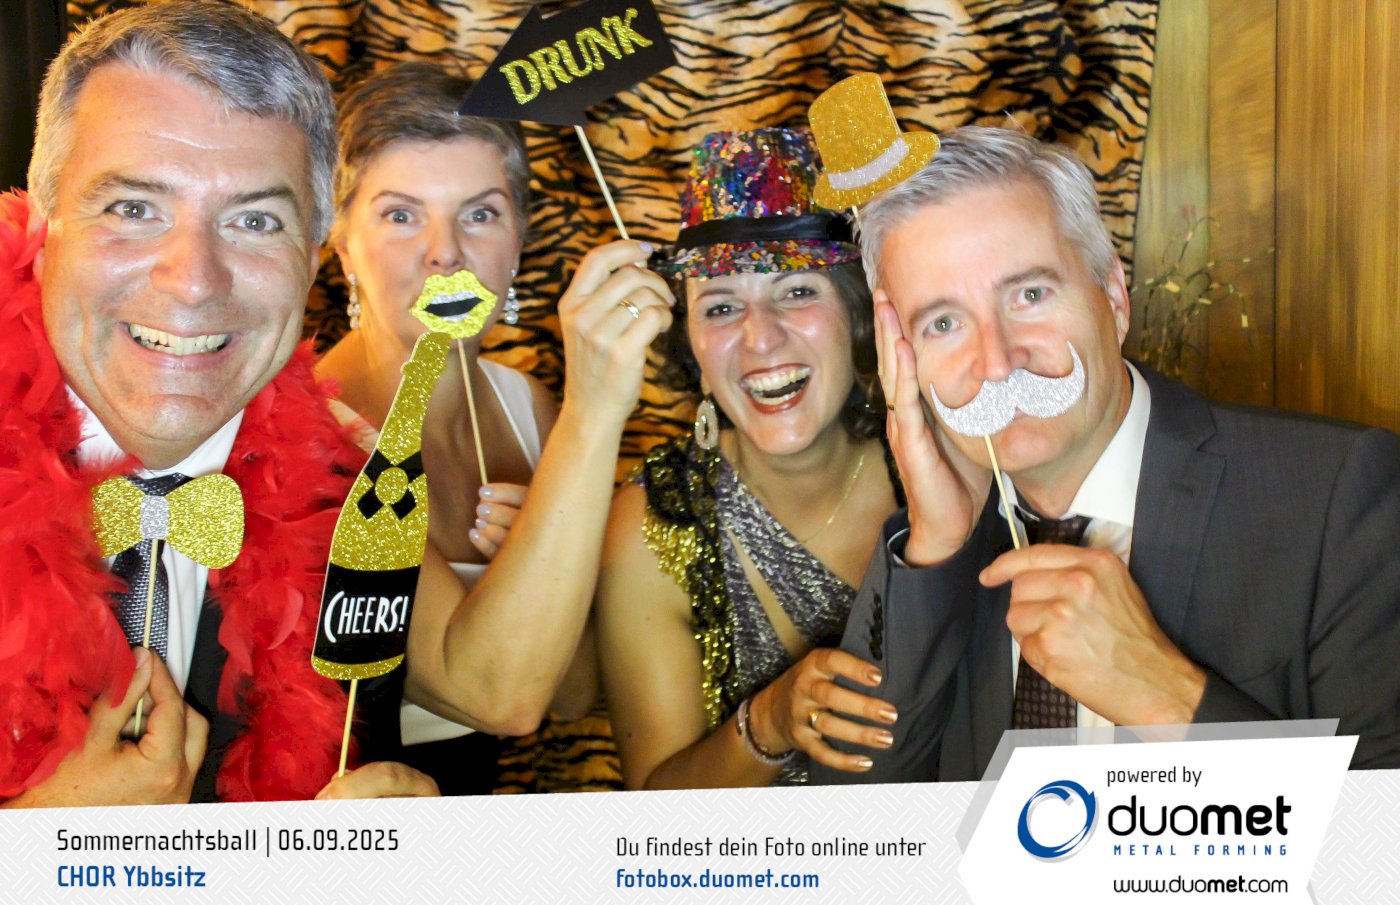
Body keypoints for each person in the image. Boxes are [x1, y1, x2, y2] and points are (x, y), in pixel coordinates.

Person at [0, 0, 664, 806]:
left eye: (254, 219)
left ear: (309, 255)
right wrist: (40, 846)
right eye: (133, 208)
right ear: (42, 229)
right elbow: (493, 688)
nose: (194, 279)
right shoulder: (354, 436)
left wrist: (324, 853)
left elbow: (551, 695)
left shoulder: (324, 482)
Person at [811, 126, 1400, 783]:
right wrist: (936, 546)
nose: (997, 362)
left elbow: (1380, 839)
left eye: (1029, 295)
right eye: (943, 323)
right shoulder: (933, 548)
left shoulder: (1338, 494)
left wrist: (1163, 692)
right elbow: (854, 827)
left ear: (1114, 297)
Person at [314, 63, 593, 795]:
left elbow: (574, 693)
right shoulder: (308, 433)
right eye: (401, 215)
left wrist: (534, 559)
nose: (445, 252)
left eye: (480, 214)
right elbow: (502, 699)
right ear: (342, 243)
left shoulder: (528, 407)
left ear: (518, 240)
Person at [597, 128, 903, 789]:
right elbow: (656, 817)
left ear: (855, 316)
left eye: (797, 292)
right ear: (693, 352)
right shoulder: (656, 526)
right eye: (721, 306)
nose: (760, 338)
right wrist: (768, 722)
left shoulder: (938, 464)